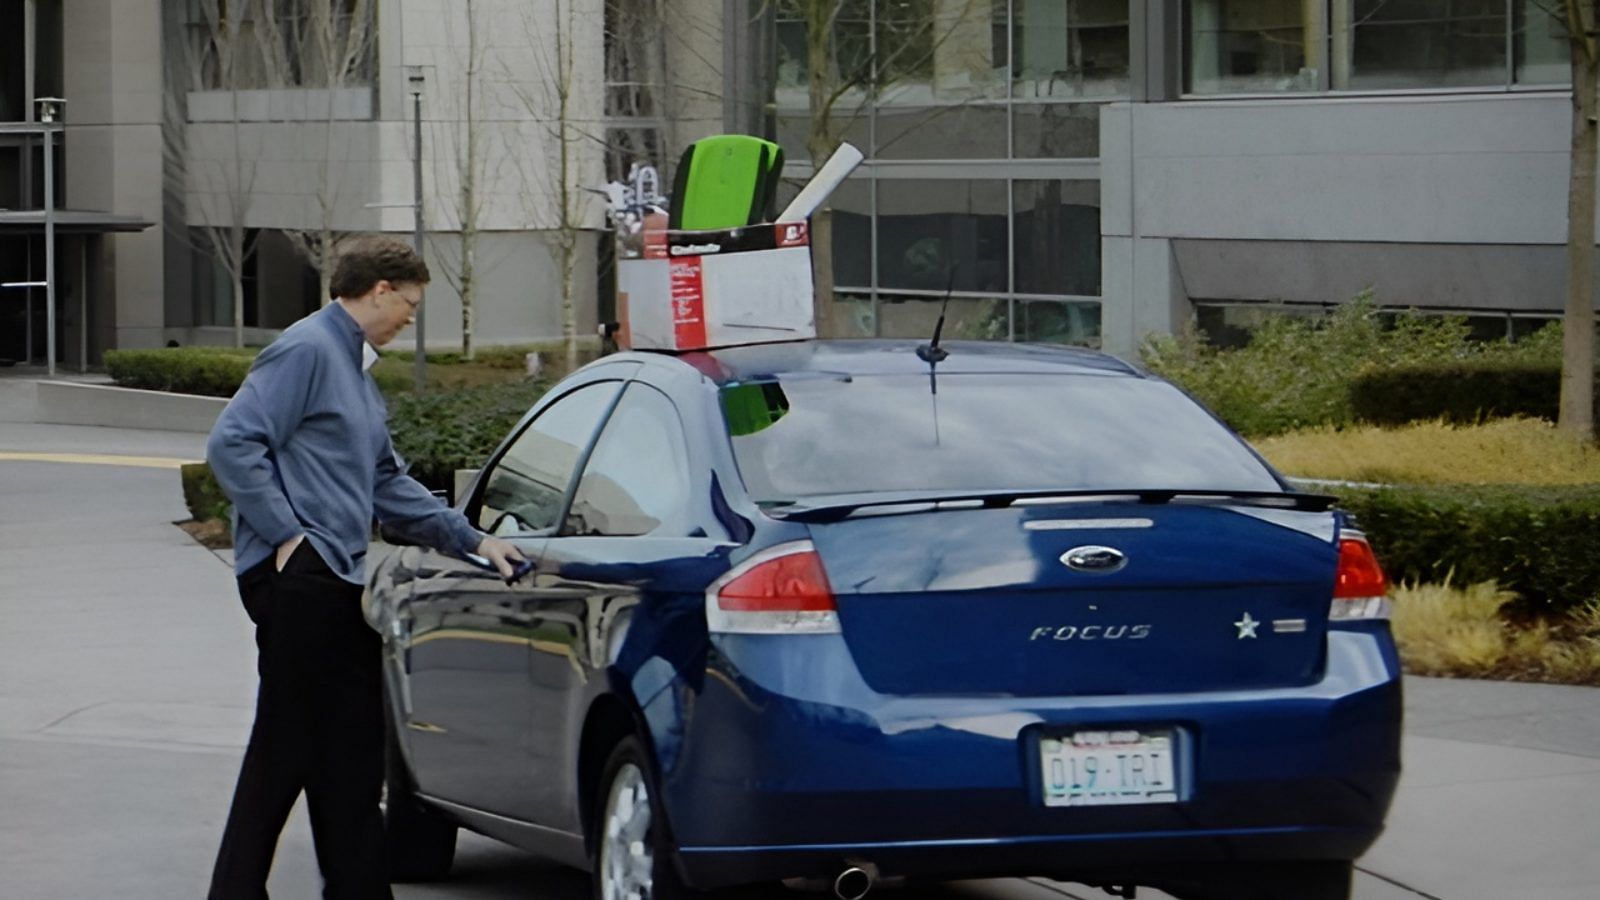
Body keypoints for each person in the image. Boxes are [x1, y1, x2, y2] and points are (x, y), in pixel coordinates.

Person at [205, 235, 525, 899]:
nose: (410, 316)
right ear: (380, 291)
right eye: (409, 303)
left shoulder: (350, 365)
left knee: (350, 743)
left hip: (336, 582)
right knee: (288, 742)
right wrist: (289, 536)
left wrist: (471, 539)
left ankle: (356, 888)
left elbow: (385, 480)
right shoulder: (308, 349)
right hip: (303, 576)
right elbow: (234, 443)